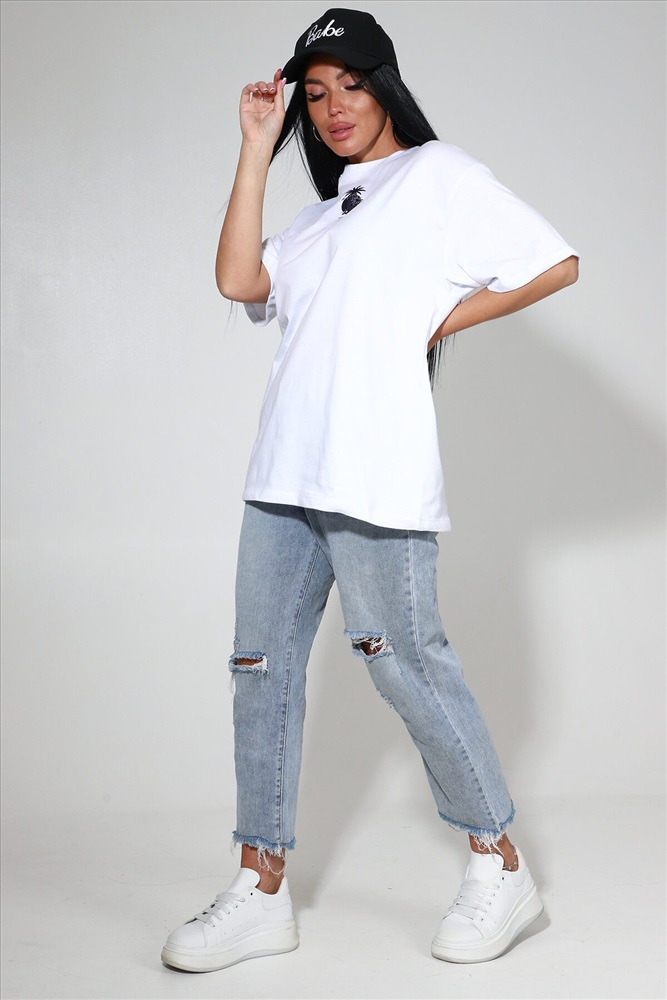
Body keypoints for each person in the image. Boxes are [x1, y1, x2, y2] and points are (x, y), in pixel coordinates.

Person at [161, 7, 578, 973]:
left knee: (403, 663)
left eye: (350, 84)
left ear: (384, 84)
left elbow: (554, 262)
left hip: (374, 474)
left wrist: (434, 321)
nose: (333, 106)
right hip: (282, 474)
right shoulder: (319, 220)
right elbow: (237, 280)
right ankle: (261, 887)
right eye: (314, 94)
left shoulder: (437, 176)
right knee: (260, 670)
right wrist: (256, 146)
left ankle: (499, 863)